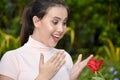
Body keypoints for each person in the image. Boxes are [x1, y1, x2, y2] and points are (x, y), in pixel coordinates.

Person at [0, 0, 93, 80]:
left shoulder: (64, 57)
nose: (61, 29)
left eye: (64, 23)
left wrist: (70, 78)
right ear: (37, 21)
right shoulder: (12, 58)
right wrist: (43, 77)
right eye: (55, 22)